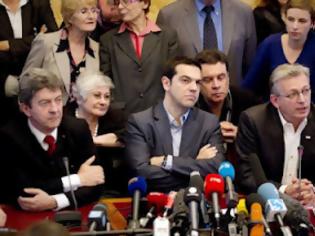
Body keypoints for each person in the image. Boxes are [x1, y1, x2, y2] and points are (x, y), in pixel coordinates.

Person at [0, 68, 104, 211]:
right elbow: (25, 192)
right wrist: (78, 179)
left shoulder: (77, 128)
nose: (55, 109)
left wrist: (55, 201)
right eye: (45, 102)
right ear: (26, 109)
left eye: (58, 100)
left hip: (73, 215)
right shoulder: (9, 136)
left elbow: (96, 183)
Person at [124, 57, 225, 192]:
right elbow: (141, 174)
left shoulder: (209, 122)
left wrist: (167, 162)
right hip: (154, 205)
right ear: (166, 83)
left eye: (198, 82)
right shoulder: (140, 122)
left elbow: (217, 169)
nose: (194, 88)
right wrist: (195, 165)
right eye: (185, 81)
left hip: (197, 204)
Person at [236, 63, 315, 206]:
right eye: (293, 94)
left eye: (306, 90)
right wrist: (283, 190)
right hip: (266, 204)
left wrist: (311, 191)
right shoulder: (253, 121)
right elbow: (247, 175)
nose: (302, 100)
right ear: (275, 101)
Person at [99, 0, 179, 114]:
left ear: (145, 3)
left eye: (126, 1)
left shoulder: (167, 36)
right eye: (118, 3)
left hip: (160, 113)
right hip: (123, 117)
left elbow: (174, 78)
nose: (120, 7)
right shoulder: (108, 40)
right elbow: (105, 81)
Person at [156, 0, 257, 85]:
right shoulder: (169, 16)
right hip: (187, 103)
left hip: (234, 102)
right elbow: (163, 69)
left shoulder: (243, 13)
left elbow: (250, 65)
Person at [21, 0, 100, 103]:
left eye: (94, 11)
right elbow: (25, 81)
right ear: (70, 17)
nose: (91, 16)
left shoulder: (96, 48)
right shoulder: (46, 42)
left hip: (83, 114)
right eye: (84, 11)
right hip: (51, 112)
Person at [67, 71, 128, 195]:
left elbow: (128, 136)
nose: (103, 102)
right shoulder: (65, 118)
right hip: (73, 187)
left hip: (110, 188)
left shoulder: (114, 116)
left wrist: (94, 140)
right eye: (97, 95)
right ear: (80, 98)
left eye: (107, 96)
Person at [242, 0, 315, 102]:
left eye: (302, 21)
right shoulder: (270, 44)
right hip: (273, 112)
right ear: (283, 18)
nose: (295, 26)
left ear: (312, 23)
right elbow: (248, 87)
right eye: (291, 19)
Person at [195, 50, 259, 165]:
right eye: (208, 80)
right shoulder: (190, 106)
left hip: (240, 173)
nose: (216, 85)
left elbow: (263, 142)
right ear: (198, 83)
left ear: (228, 78)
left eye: (221, 78)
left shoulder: (247, 100)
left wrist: (241, 136)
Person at [0, 0, 58, 124]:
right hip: (4, 78)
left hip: (37, 76)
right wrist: (37, 37)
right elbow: (42, 40)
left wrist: (8, 44)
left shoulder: (39, 3)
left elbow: (53, 36)